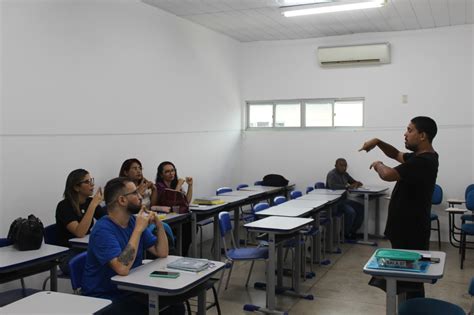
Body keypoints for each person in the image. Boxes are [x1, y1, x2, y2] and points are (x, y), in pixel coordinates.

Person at [360, 116, 439, 299]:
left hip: (411, 231)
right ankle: (409, 308)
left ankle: (412, 310)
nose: (405, 134)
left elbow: (388, 174)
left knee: (410, 282)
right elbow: (396, 154)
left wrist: (378, 163)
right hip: (406, 229)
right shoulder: (421, 157)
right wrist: (378, 142)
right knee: (405, 280)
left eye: (410, 130)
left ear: (422, 136)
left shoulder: (423, 162)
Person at [81, 177, 184, 315]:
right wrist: (138, 230)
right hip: (105, 296)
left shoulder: (132, 221)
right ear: (122, 200)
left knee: (175, 306)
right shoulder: (103, 230)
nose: (140, 196)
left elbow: (162, 252)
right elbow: (122, 268)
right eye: (135, 193)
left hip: (130, 290)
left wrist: (159, 225)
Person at [55, 169, 106, 274]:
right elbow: (80, 232)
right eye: (87, 182)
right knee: (103, 265)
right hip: (68, 255)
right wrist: (93, 205)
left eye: (91, 180)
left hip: (87, 249)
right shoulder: (64, 206)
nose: (92, 184)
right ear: (76, 187)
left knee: (111, 258)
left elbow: (107, 220)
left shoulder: (90, 201)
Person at [155, 161, 193, 256]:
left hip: (176, 216)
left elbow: (186, 202)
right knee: (185, 229)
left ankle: (183, 253)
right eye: (167, 171)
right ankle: (177, 254)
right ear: (161, 174)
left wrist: (190, 185)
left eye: (173, 170)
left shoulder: (174, 184)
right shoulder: (159, 186)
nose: (171, 173)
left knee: (191, 226)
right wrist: (179, 186)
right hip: (166, 220)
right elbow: (172, 201)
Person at [326, 158, 364, 239]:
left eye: (345, 166)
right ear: (335, 165)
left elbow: (353, 182)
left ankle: (352, 231)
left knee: (361, 208)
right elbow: (333, 187)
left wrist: (357, 183)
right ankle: (345, 234)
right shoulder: (332, 174)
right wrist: (348, 186)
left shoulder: (345, 174)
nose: (344, 167)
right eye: (341, 165)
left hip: (344, 200)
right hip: (335, 202)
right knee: (351, 212)